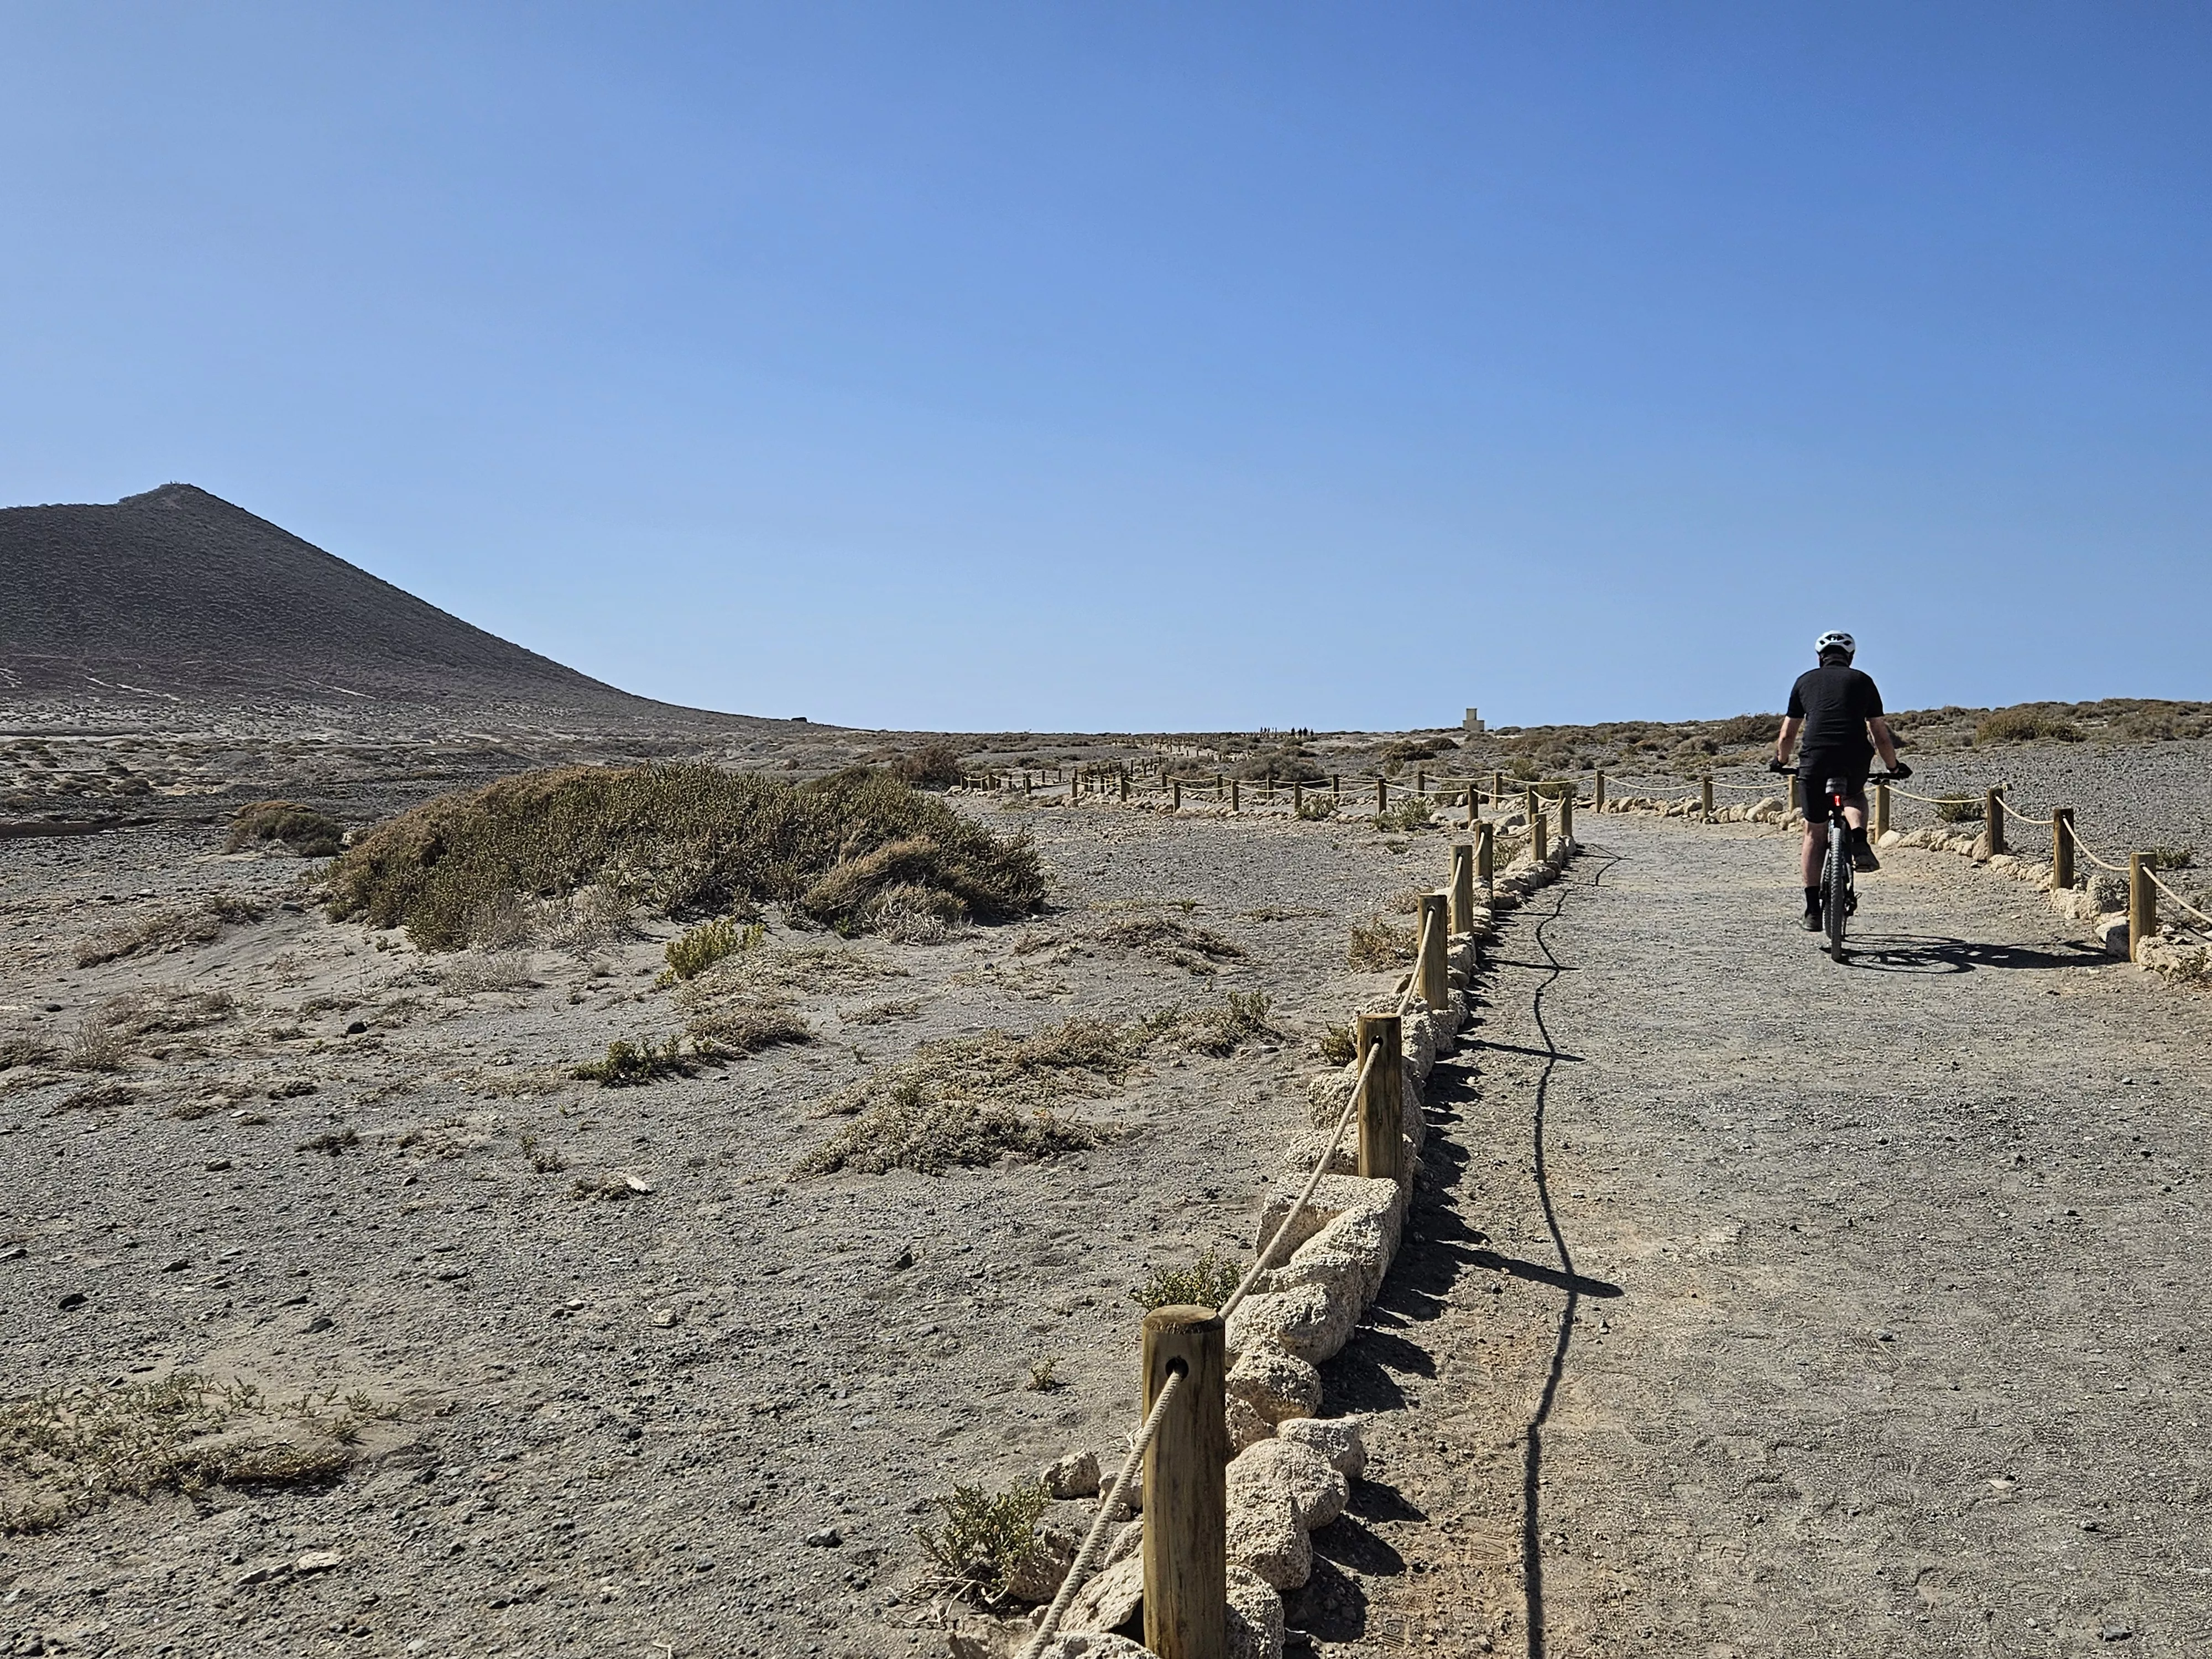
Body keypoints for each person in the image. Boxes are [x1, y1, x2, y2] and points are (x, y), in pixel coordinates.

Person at [1771, 631, 1909, 931]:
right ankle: (1859, 841)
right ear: (1851, 658)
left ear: (1820, 657)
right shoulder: (1864, 681)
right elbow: (1880, 735)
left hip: (1815, 759)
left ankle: (1811, 910)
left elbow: (1787, 735)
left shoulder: (1803, 682)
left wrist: (1780, 762)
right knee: (1854, 795)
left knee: (1813, 833)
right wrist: (1895, 766)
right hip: (1853, 756)